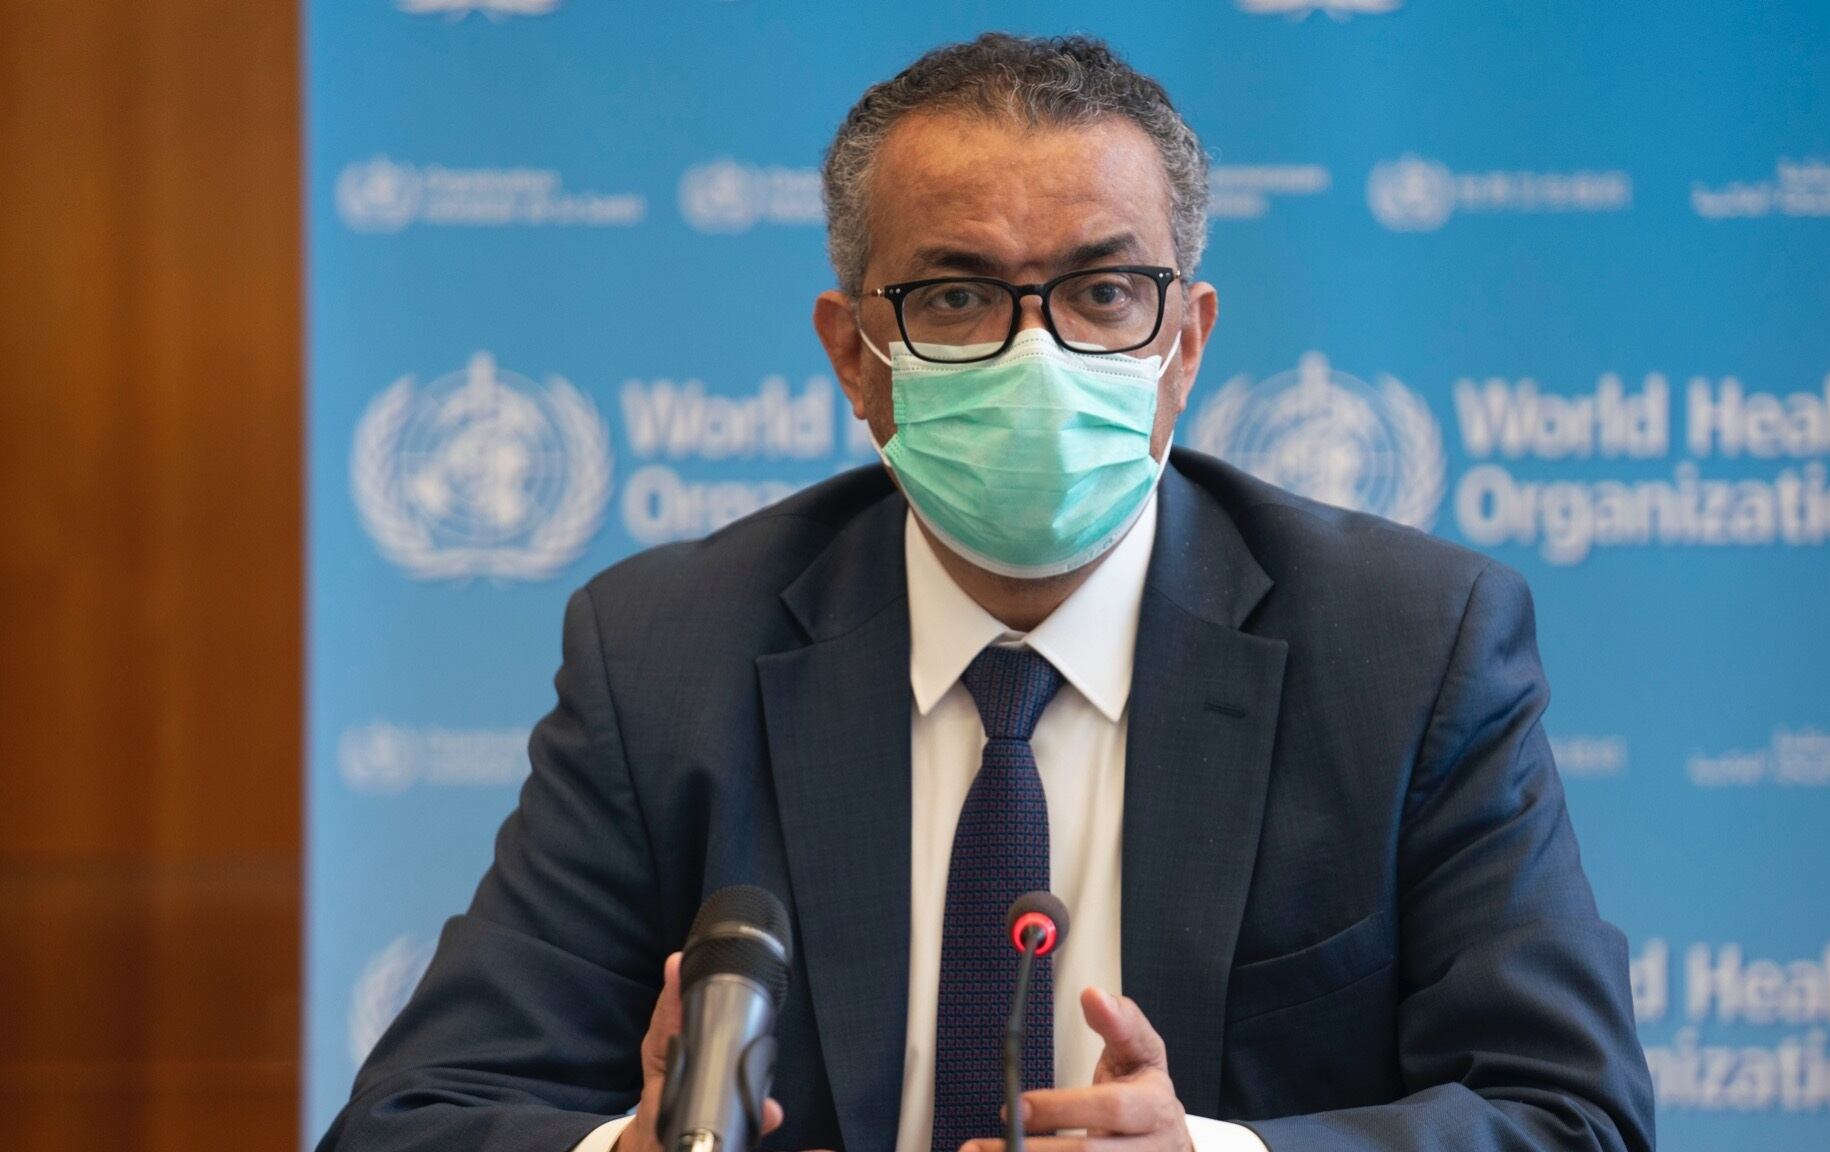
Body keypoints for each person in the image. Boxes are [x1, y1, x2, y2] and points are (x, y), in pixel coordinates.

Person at [318, 32, 1655, 1152]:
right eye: (957, 297)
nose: (1038, 356)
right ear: (856, 357)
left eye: (1104, 292)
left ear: (1185, 344)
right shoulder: (668, 657)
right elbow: (410, 1122)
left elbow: (1572, 1118)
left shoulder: (1409, 650)